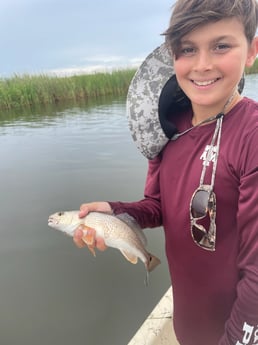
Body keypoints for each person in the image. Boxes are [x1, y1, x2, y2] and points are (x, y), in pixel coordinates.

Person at [73, 1, 258, 344]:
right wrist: (116, 212)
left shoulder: (252, 136)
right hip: (187, 324)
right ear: (173, 56)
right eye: (188, 49)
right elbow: (158, 205)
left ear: (252, 51)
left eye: (221, 46)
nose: (203, 64)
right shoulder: (167, 130)